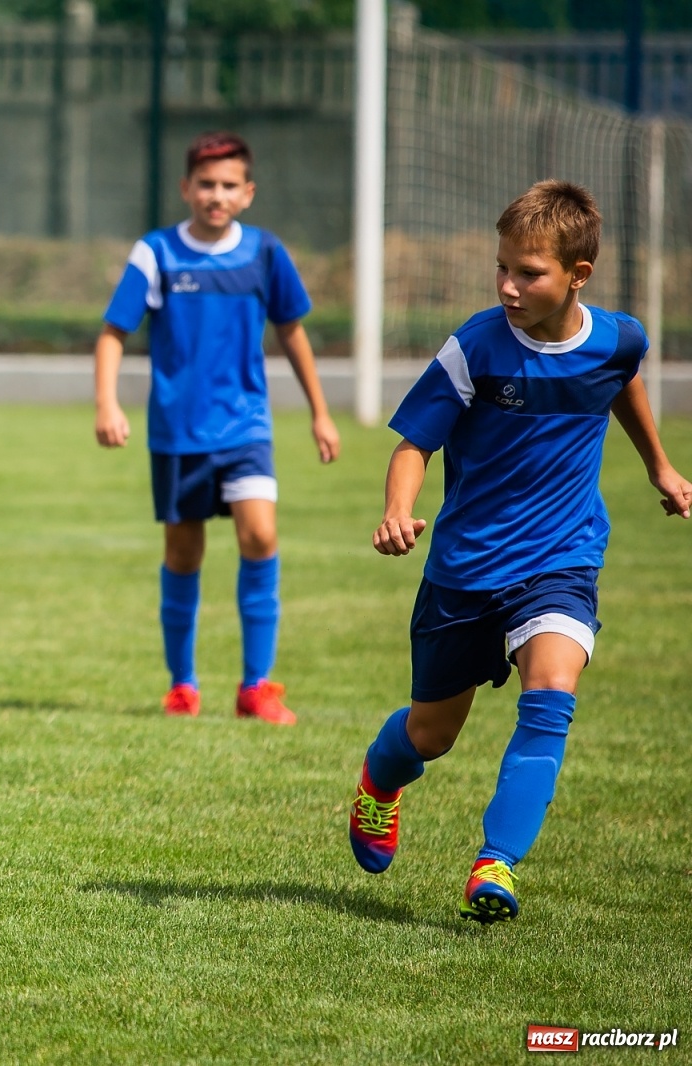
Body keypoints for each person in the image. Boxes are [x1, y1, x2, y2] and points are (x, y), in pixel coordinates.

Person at [347, 180, 691, 923]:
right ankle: (379, 781)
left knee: (551, 696)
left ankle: (494, 862)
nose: (508, 286)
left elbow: (623, 382)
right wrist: (397, 509)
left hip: (562, 557)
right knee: (431, 735)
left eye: (527, 273)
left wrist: (658, 466)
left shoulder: (619, 337)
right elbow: (415, 445)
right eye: (501, 268)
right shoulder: (476, 346)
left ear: (578, 275)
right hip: (466, 567)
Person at [93, 131, 340, 725]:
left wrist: (320, 411)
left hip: (245, 427)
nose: (216, 194)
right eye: (205, 184)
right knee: (183, 552)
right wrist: (107, 403)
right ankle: (183, 685)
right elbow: (113, 333)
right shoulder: (155, 253)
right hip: (178, 432)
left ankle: (257, 687)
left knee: (260, 536)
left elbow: (292, 331)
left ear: (248, 193)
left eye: (229, 185)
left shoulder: (264, 254)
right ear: (185, 188)